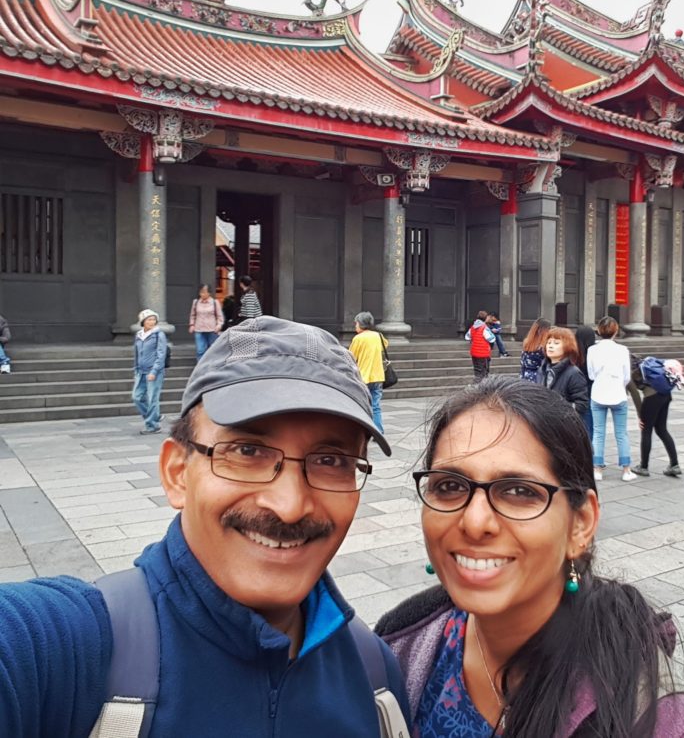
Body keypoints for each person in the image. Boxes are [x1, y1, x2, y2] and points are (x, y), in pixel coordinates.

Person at [0, 316, 409, 737]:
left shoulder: (375, 674)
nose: (289, 507)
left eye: (331, 461)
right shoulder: (62, 649)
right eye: (247, 450)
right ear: (177, 473)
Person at [376, 378, 684, 738]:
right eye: (450, 486)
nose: (474, 523)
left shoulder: (643, 716)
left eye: (519, 491)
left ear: (580, 523)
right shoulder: (400, 643)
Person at [588, 316, 636, 482]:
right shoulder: (622, 350)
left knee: (599, 433)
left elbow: (591, 374)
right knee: (621, 433)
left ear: (599, 331)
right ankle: (626, 469)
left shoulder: (592, 350)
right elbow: (626, 376)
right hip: (618, 393)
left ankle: (597, 469)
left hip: (598, 392)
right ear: (616, 331)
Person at [631, 357, 684, 478]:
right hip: (665, 394)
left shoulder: (628, 368)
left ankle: (643, 467)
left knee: (646, 430)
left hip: (651, 397)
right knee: (661, 430)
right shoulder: (642, 362)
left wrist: (640, 415)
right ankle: (674, 465)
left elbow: (635, 394)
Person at [538, 326, 590, 418]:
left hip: (562, 424)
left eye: (556, 343)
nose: (550, 346)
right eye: (549, 342)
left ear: (567, 346)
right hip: (543, 422)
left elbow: (582, 405)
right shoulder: (542, 369)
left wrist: (557, 408)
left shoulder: (573, 373)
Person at [349, 310, 387, 433]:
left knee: (360, 404)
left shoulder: (358, 339)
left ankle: (361, 430)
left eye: (356, 323)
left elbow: (351, 357)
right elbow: (385, 346)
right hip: (378, 376)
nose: (355, 326)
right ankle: (378, 431)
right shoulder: (378, 336)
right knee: (375, 406)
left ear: (360, 324)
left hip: (363, 377)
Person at [133, 308, 168, 435]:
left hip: (154, 371)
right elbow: (136, 354)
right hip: (141, 371)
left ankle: (152, 426)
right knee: (137, 397)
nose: (152, 322)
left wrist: (154, 371)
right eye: (149, 319)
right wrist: (136, 368)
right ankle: (155, 416)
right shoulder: (139, 335)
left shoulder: (159, 335)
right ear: (143, 321)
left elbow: (161, 355)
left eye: (154, 319)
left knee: (153, 398)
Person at [188, 283, 223, 359]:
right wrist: (192, 325)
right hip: (199, 329)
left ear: (209, 293)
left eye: (204, 292)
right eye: (201, 292)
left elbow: (219, 316)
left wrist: (219, 325)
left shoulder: (214, 302)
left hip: (212, 330)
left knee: (212, 350)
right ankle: (200, 369)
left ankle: (211, 368)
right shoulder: (196, 302)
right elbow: (193, 315)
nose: (202, 294)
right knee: (200, 350)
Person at [574, 325, 596, 440]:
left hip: (575, 394)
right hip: (590, 392)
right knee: (589, 424)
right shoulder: (594, 355)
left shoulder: (573, 355)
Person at [466, 310, 496, 382]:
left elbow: (467, 337)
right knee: (484, 372)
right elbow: (492, 339)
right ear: (485, 318)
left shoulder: (473, 327)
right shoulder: (484, 327)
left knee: (477, 371)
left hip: (474, 353)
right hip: (483, 353)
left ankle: (477, 386)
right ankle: (483, 388)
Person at [519, 317, 551, 384]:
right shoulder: (544, 345)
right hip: (539, 377)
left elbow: (522, 363)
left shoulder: (526, 342)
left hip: (525, 375)